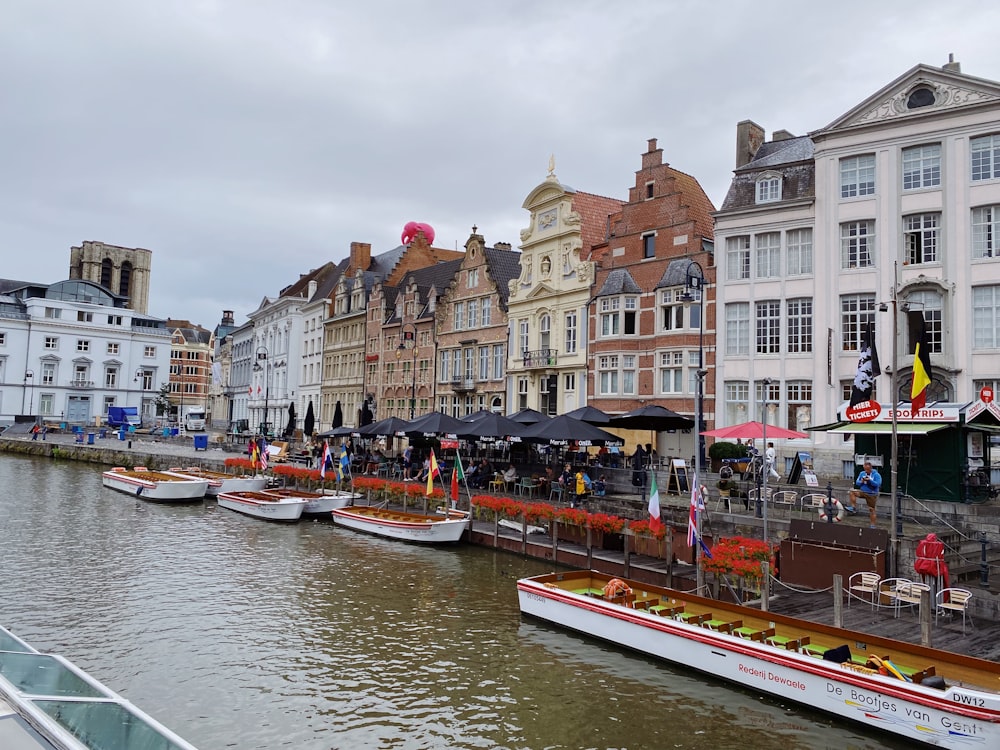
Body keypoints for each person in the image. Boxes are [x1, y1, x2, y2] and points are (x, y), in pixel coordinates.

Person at [849, 460, 882, 527]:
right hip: (863, 492)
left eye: (867, 469)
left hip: (871, 494)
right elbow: (857, 482)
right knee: (852, 492)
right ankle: (853, 507)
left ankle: (872, 525)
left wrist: (870, 481)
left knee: (871, 509)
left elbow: (877, 484)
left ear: (871, 468)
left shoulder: (876, 475)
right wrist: (862, 481)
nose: (866, 471)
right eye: (865, 469)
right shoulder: (862, 473)